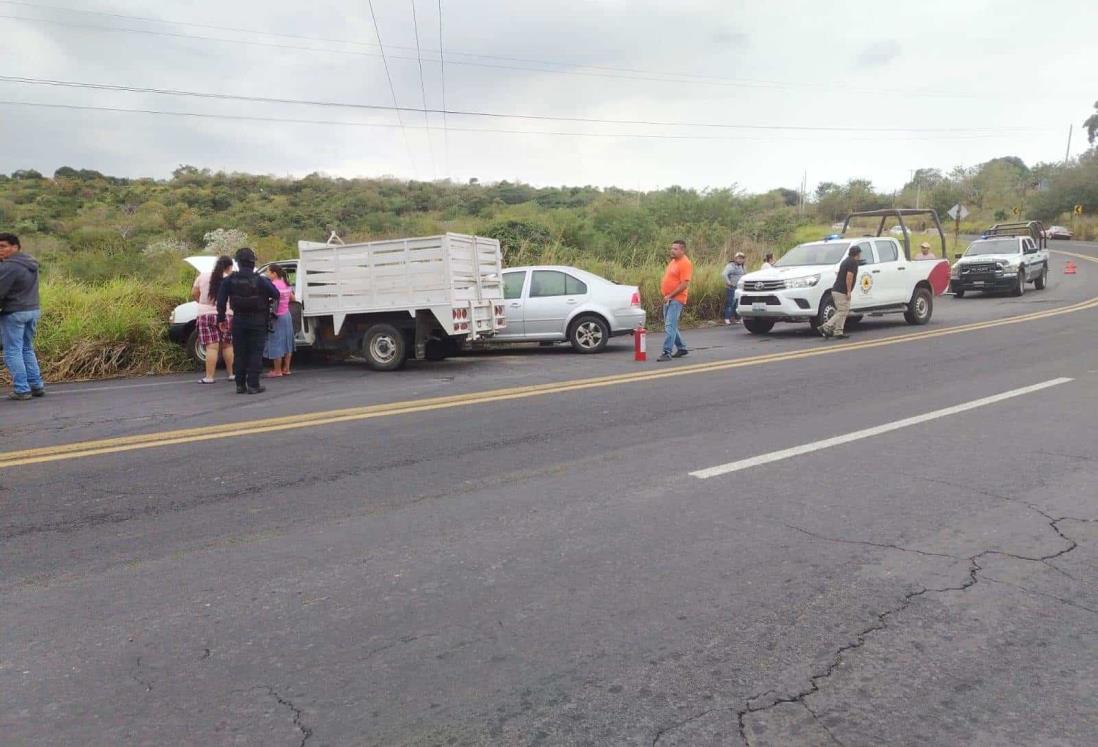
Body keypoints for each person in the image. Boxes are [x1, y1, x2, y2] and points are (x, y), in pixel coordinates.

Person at [217, 248, 279, 394]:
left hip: (238, 320)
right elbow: (275, 294)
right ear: (252, 262)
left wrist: (221, 319)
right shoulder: (261, 280)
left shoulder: (229, 280)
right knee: (255, 353)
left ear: (237, 263)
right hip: (258, 320)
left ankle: (240, 384)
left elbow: (220, 301)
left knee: (240, 353)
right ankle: (253, 384)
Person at [0, 233, 44, 401]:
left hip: (14, 312)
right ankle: (36, 385)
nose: (0, 250)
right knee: (26, 348)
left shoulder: (9, 266)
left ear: (15, 247)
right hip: (32, 309)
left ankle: (21, 389)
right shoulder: (29, 262)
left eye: (3, 246)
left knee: (12, 351)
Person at [193, 255, 235, 384]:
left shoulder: (203, 275)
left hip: (205, 314)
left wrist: (202, 303)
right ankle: (232, 374)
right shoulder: (230, 278)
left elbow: (194, 293)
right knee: (228, 346)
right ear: (229, 267)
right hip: (227, 314)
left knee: (212, 348)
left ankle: (209, 377)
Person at [657, 239, 692, 361]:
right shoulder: (673, 261)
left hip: (677, 299)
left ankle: (667, 352)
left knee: (669, 325)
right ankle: (682, 348)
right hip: (669, 298)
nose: (672, 251)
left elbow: (684, 284)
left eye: (675, 249)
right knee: (671, 325)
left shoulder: (685, 263)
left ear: (682, 250)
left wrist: (671, 295)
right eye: (672, 248)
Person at [818, 244, 861, 340]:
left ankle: (838, 331)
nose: (860, 255)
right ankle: (826, 327)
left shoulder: (845, 261)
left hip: (836, 290)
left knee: (842, 311)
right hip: (842, 291)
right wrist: (849, 291)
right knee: (842, 311)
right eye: (860, 253)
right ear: (857, 254)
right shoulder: (853, 262)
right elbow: (849, 277)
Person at [263, 263, 296, 378]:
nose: (266, 274)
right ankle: (286, 368)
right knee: (287, 342)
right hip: (287, 315)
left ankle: (277, 371)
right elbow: (293, 298)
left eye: (268, 272)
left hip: (276, 317)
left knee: (275, 341)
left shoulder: (272, 285)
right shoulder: (285, 284)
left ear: (274, 274)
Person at [721, 252, 747, 325]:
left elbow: (745, 275)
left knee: (738, 303)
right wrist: (729, 282)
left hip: (740, 288)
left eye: (742, 258)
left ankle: (738, 318)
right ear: (735, 259)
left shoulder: (743, 266)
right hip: (732, 288)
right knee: (730, 303)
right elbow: (724, 274)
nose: (740, 260)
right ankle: (727, 318)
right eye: (739, 258)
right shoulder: (731, 265)